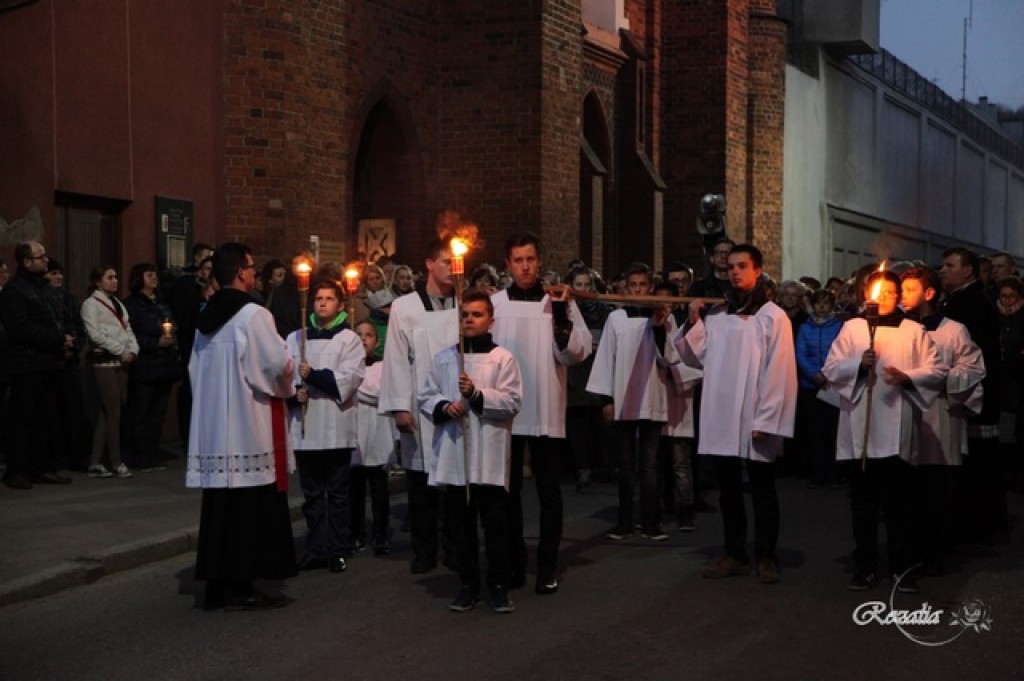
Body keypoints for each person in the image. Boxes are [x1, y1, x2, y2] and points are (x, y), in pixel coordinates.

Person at [677, 244, 797, 584]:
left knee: (762, 488)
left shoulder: (773, 316)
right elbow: (695, 356)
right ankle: (734, 552)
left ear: (757, 270)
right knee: (728, 489)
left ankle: (766, 555)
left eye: (742, 266)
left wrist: (767, 418)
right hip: (723, 414)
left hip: (756, 414)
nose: (734, 272)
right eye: (730, 266)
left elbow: (780, 371)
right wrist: (694, 321)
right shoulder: (719, 313)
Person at [188, 242, 297, 611]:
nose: (255, 274)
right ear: (239, 272)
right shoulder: (253, 315)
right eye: (251, 267)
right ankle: (242, 584)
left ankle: (217, 586)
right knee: (249, 509)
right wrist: (291, 375)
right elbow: (273, 366)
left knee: (221, 509)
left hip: (216, 428)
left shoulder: (206, 317)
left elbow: (194, 371)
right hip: (248, 425)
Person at [821, 269, 945, 593]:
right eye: (880, 292)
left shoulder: (913, 330)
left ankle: (903, 567)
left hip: (897, 428)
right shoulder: (852, 328)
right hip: (861, 426)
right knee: (862, 504)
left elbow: (936, 369)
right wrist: (858, 366)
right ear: (867, 295)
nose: (886, 297)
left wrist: (906, 376)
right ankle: (865, 566)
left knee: (900, 505)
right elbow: (831, 368)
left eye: (892, 292)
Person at [491, 232, 592, 595]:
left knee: (549, 491)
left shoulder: (557, 301)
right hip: (507, 408)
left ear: (540, 260)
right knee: (509, 493)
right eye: (518, 260)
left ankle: (547, 567)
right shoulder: (496, 304)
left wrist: (564, 313)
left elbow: (576, 351)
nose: (525, 267)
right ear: (507, 264)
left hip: (546, 403)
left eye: (530, 259)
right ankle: (515, 564)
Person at [418, 290, 523, 613]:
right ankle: (468, 583)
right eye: (465, 315)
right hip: (456, 454)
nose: (469, 320)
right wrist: (444, 406)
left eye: (477, 315)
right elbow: (425, 395)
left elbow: (512, 401)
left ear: (491, 320)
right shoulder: (445, 357)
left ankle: (498, 585)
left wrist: (477, 395)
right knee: (460, 526)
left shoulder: (502, 358)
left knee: (495, 526)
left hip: (488, 453)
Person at [379, 238, 459, 574]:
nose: (451, 270)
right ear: (428, 264)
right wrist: (399, 406)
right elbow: (395, 358)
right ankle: (424, 551)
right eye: (445, 262)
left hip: (457, 402)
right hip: (418, 404)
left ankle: (456, 548)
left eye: (455, 264)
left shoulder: (465, 303)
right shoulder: (406, 307)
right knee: (421, 485)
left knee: (455, 485)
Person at [900, 266, 985, 576]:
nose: (902, 295)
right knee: (907, 490)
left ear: (930, 294)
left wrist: (937, 378)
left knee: (936, 491)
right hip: (904, 414)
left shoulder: (953, 330)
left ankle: (935, 553)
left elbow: (973, 369)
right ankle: (908, 551)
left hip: (940, 413)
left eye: (910, 289)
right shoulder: (898, 328)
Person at [587, 263, 676, 541]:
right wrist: (606, 400)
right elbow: (605, 359)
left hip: (652, 396)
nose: (637, 290)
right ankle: (624, 521)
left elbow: (668, 360)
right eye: (632, 285)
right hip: (623, 397)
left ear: (650, 287)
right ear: (625, 287)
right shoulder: (617, 318)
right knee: (625, 466)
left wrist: (660, 328)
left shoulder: (662, 317)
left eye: (642, 285)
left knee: (650, 465)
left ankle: (651, 521)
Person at [287, 279, 365, 574]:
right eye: (318, 297)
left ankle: (338, 547)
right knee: (312, 494)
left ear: (340, 305)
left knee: (337, 492)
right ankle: (316, 547)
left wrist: (314, 376)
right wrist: (296, 393)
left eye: (329, 298)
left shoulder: (349, 340)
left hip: (335, 425)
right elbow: (283, 376)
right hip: (306, 427)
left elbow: (349, 379)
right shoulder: (295, 338)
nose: (322, 302)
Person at [939, 247, 1006, 542]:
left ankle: (981, 523)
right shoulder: (959, 301)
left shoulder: (973, 304)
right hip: (969, 391)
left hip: (975, 393)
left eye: (950, 265)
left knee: (980, 462)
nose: (943, 270)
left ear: (968, 271)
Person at [0, 242, 76, 489]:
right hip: (27, 364)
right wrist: (57, 339)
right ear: (26, 262)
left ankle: (40, 467)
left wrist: (66, 337)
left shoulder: (43, 288)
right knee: (22, 419)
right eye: (40, 256)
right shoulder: (14, 291)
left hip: (49, 363)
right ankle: (17, 471)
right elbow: (20, 328)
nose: (46, 260)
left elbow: (56, 319)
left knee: (45, 417)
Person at [122, 263, 183, 472]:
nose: (154, 278)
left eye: (155, 274)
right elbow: (131, 333)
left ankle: (151, 452)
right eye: (149, 275)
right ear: (140, 279)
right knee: (140, 412)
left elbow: (172, 322)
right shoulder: (131, 305)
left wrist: (171, 331)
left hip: (164, 366)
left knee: (158, 413)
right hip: (146, 365)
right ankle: (137, 455)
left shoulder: (161, 302)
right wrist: (154, 342)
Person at [81, 265, 139, 479]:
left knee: (108, 413)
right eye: (109, 277)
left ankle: (95, 461)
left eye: (116, 277)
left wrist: (133, 349)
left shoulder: (118, 303)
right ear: (98, 282)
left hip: (121, 362)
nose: (114, 281)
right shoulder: (90, 304)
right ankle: (116, 461)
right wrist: (119, 351)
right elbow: (96, 335)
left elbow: (128, 329)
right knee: (113, 411)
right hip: (105, 362)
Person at [351, 320, 396, 555]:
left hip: (378, 432)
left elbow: (382, 394)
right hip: (355, 434)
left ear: (376, 342)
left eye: (368, 335)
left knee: (379, 490)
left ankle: (380, 534)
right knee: (354, 491)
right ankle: (356, 533)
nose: (363, 339)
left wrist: (352, 386)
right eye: (358, 334)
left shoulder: (382, 367)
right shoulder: (348, 367)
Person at [563, 265, 609, 491]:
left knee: (599, 422)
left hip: (597, 368)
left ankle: (602, 465)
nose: (583, 289)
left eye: (586, 284)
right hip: (576, 372)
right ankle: (583, 470)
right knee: (578, 423)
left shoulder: (604, 311)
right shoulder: (567, 310)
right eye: (578, 285)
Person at [44, 258, 91, 472]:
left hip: (70, 362)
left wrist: (74, 343)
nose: (58, 277)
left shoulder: (70, 300)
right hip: (50, 362)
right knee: (52, 413)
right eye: (53, 273)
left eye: (60, 273)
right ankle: (56, 457)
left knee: (74, 410)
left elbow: (80, 329)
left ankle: (76, 456)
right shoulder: (41, 299)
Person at [794, 288, 843, 487]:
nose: (822, 307)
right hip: (810, 385)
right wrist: (813, 374)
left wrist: (828, 374)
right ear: (812, 305)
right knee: (814, 431)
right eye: (818, 303)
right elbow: (800, 353)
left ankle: (833, 474)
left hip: (832, 385)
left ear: (832, 306)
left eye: (826, 303)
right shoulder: (805, 328)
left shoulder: (839, 327)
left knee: (832, 431)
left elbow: (841, 351)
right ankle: (818, 474)